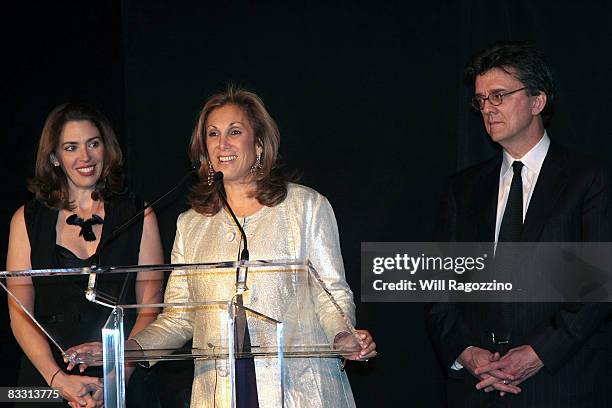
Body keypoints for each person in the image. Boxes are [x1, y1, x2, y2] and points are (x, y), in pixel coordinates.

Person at [130, 87, 376, 407]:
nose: (223, 144)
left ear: (258, 143)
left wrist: (344, 336)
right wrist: (124, 352)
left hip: (299, 389)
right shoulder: (190, 224)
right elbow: (179, 317)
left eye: (235, 132)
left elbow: (331, 294)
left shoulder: (306, 207)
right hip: (220, 393)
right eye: (213, 134)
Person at [427, 41, 612, 407]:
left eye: (498, 96)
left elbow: (598, 287)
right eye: (481, 100)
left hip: (561, 383)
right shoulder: (461, 188)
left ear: (537, 101)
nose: (487, 109)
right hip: (477, 389)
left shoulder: (587, 179)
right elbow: (437, 284)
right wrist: (466, 352)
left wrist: (537, 352)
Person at [6, 103, 164, 407]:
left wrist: (115, 380)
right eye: (71, 147)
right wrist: (58, 380)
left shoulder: (139, 214)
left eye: (93, 143)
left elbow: (149, 311)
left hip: (123, 378)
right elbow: (19, 314)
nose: (85, 157)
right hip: (46, 382)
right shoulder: (26, 220)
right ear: (54, 157)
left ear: (106, 148)